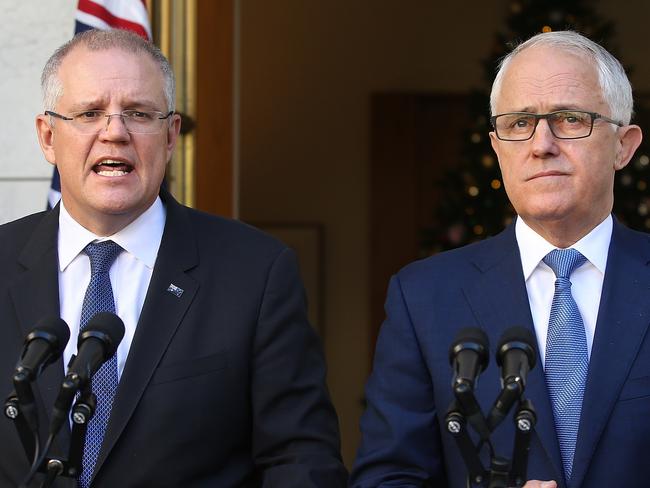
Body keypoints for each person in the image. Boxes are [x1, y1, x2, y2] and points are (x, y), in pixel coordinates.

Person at [0, 29, 347, 487]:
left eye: (139, 114)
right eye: (90, 113)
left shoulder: (256, 272)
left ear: (170, 136)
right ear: (48, 136)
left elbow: (301, 460)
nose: (115, 133)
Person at [350, 30, 646, 488]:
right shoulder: (425, 297)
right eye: (518, 123)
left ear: (623, 146)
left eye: (569, 119)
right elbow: (388, 477)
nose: (541, 143)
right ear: (496, 147)